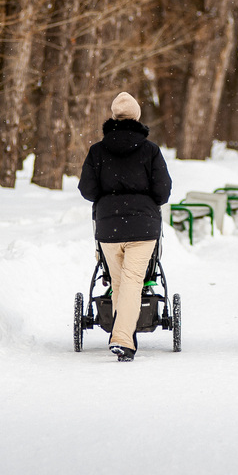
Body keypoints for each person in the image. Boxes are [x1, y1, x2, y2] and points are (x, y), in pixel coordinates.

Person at [79, 91, 172, 362]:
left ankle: (124, 336)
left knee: (120, 282)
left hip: (109, 228)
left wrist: (109, 197)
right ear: (137, 117)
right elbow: (163, 191)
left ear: (113, 116)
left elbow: (87, 189)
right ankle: (122, 339)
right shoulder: (150, 150)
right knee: (132, 281)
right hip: (143, 227)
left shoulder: (97, 151)